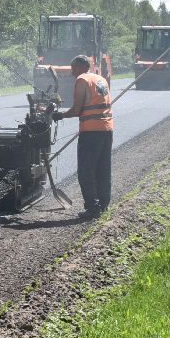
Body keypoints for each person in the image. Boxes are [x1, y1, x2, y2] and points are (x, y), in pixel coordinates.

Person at [53, 54, 112, 218]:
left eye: (73, 69)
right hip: (106, 129)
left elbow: (77, 109)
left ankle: (92, 208)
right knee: (103, 168)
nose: (72, 73)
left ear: (80, 67)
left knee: (86, 171)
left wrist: (60, 115)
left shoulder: (82, 80)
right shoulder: (100, 79)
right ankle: (103, 204)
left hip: (91, 132)